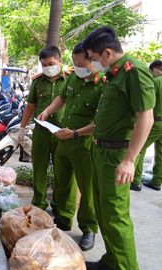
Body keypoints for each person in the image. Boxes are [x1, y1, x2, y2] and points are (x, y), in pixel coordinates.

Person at [82, 26, 155, 270]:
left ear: (107, 53)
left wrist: (129, 160)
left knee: (115, 216)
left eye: (93, 58)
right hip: (100, 151)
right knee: (103, 211)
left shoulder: (134, 71)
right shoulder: (114, 74)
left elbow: (146, 117)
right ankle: (112, 261)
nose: (93, 63)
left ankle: (126, 266)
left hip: (116, 156)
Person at [37, 43, 102, 251]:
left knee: (87, 187)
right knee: (62, 181)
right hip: (64, 139)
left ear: (94, 61)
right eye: (74, 63)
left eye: (81, 64)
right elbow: (62, 97)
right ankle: (63, 218)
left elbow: (101, 122)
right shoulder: (74, 77)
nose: (76, 67)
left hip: (83, 142)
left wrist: (75, 133)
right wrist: (47, 111)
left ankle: (89, 228)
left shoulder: (103, 84)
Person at [19, 45, 69, 212]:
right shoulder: (37, 81)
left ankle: (57, 204)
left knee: (61, 171)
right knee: (39, 169)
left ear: (59, 61)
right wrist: (22, 128)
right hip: (41, 132)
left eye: (51, 63)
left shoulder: (71, 79)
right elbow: (30, 106)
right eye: (44, 65)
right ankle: (39, 203)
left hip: (62, 133)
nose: (48, 68)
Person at [131, 60, 162, 191]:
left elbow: (147, 104)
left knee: (140, 148)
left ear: (155, 70)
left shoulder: (156, 82)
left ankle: (136, 181)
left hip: (156, 121)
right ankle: (157, 181)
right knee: (160, 153)